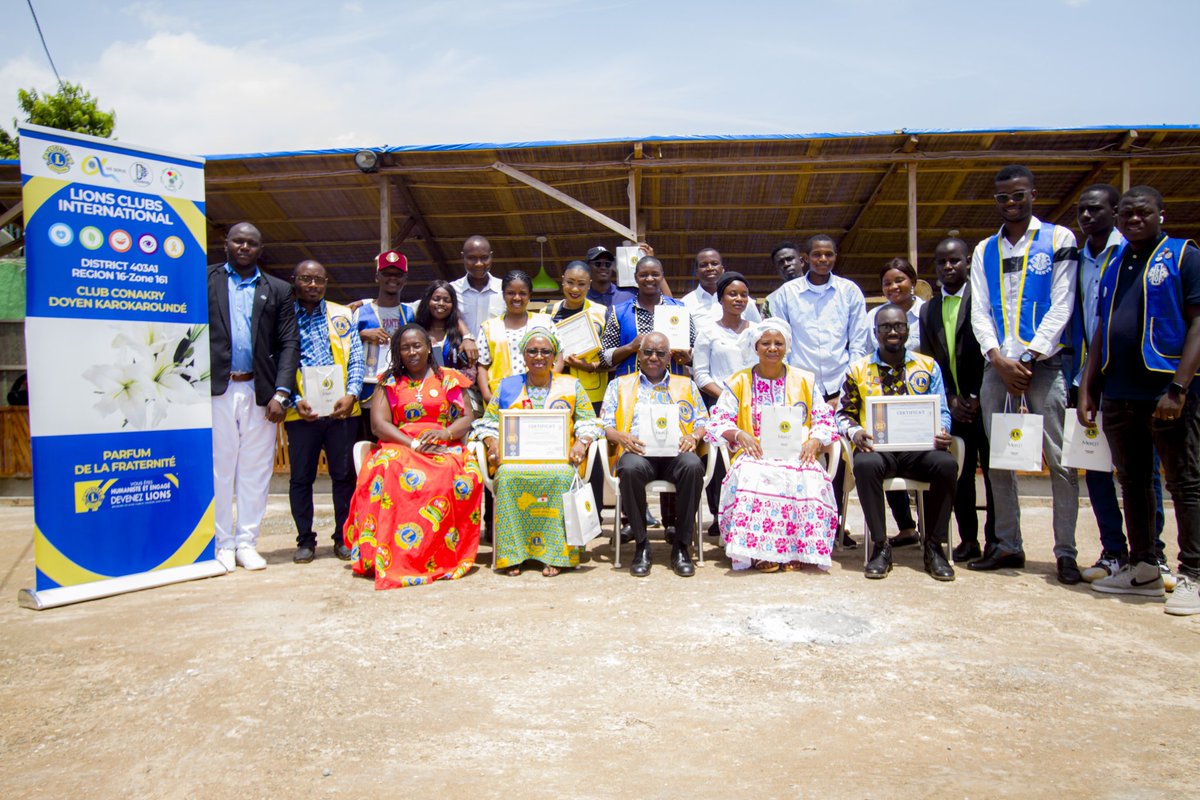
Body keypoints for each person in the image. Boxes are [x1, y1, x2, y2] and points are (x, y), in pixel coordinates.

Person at [1079, 186, 1200, 616]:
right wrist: (1089, 388)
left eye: (1142, 212)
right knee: (1131, 481)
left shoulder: (1183, 255)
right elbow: (1100, 329)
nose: (1133, 219)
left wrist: (1179, 388)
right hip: (1120, 391)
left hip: (1166, 392)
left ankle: (1192, 574)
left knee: (1183, 482)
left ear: (1160, 214)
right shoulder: (1114, 263)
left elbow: (1198, 322)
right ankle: (1144, 565)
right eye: (1127, 214)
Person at [968, 164, 1081, 584]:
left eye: (1018, 195)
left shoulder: (1057, 239)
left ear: (1033, 193)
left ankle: (1065, 552)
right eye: (1003, 197)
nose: (1011, 203)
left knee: (1059, 459)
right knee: (999, 457)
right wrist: (997, 358)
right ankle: (1007, 544)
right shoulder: (985, 249)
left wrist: (1030, 357)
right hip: (997, 365)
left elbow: (1062, 303)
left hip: (1044, 365)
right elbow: (980, 309)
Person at [1068, 185, 1170, 585]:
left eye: (1097, 209)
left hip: (1137, 377)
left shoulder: (1132, 253)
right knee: (1096, 466)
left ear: (1115, 211)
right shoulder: (1077, 259)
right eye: (1082, 211)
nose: (1088, 216)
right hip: (1089, 377)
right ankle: (1114, 551)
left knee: (1145, 471)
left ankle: (1152, 555)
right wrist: (1084, 383)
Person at [343, 324, 482, 589]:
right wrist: (414, 444)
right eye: (405, 347)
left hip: (442, 443)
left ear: (428, 347)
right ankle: (392, 555)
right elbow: (379, 425)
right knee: (389, 466)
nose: (411, 352)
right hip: (402, 444)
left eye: (417, 345)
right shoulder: (389, 381)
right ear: (397, 352)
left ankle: (436, 555)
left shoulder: (449, 378)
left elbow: (467, 416)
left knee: (455, 473)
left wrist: (445, 433)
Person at [705, 319, 839, 571]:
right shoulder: (738, 381)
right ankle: (759, 552)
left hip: (797, 454)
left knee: (808, 478)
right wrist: (738, 434)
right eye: (766, 343)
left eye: (779, 343)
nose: (772, 348)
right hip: (755, 454)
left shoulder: (805, 380)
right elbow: (718, 420)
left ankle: (796, 551)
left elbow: (824, 418)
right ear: (755, 347)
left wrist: (815, 439)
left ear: (787, 346)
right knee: (752, 476)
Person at [764, 233, 869, 547]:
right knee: (798, 454)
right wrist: (804, 389)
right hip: (800, 390)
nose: (823, 260)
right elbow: (783, 343)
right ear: (804, 258)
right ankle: (799, 525)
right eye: (817, 255)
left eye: (829, 255)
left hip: (842, 385)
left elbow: (858, 342)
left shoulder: (850, 292)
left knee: (837, 458)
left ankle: (834, 526)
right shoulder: (785, 294)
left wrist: (846, 386)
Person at [838, 304, 957, 581]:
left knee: (946, 465)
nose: (893, 331)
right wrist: (855, 433)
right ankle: (881, 547)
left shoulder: (927, 366)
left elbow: (941, 411)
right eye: (886, 327)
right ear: (876, 332)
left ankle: (934, 547)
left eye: (899, 326)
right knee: (865, 465)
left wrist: (943, 430)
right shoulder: (858, 369)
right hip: (879, 450)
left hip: (919, 450)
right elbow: (843, 414)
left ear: (907, 329)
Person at [208, 222, 299, 572]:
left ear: (261, 250)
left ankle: (246, 542)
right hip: (216, 388)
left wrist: (281, 391)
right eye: (239, 241)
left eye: (252, 243)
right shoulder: (207, 279)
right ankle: (222, 544)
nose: (245, 247)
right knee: (220, 468)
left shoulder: (277, 289)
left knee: (256, 469)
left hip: (259, 392)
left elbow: (289, 343)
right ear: (226, 244)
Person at [474, 329, 603, 577]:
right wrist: (492, 442)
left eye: (545, 351)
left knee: (562, 477)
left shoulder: (570, 384)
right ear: (524, 355)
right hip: (515, 459)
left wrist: (582, 442)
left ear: (554, 356)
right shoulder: (508, 385)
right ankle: (512, 555)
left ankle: (557, 555)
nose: (539, 356)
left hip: (560, 458)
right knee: (508, 477)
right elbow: (487, 422)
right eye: (532, 350)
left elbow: (589, 421)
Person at [602, 332, 709, 577]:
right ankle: (642, 545)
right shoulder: (619, 385)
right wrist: (621, 436)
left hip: (675, 455)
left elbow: (703, 420)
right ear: (638, 355)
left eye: (660, 353)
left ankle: (682, 545)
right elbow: (605, 424)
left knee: (693, 466)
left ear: (669, 357)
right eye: (648, 352)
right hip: (638, 453)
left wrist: (693, 436)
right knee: (628, 469)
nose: (653, 357)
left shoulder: (686, 385)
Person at [919, 238, 996, 562]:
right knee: (960, 475)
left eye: (954, 261)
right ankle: (968, 540)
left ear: (967, 262)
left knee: (995, 475)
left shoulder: (985, 300)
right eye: (941, 262)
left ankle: (998, 541)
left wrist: (977, 394)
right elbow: (929, 361)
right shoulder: (928, 309)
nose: (948, 267)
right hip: (953, 405)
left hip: (987, 399)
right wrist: (949, 398)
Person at [285, 260, 363, 564]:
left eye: (319, 280)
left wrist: (352, 393)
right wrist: (293, 398)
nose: (313, 285)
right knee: (300, 478)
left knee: (343, 477)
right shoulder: (284, 314)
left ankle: (343, 538)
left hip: (341, 411)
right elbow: (278, 360)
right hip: (301, 412)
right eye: (306, 279)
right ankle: (305, 540)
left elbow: (355, 358)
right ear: (295, 280)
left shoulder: (342, 314)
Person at [866, 258, 927, 548]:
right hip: (884, 402)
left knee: (929, 463)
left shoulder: (926, 313)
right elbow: (866, 356)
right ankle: (905, 526)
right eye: (887, 283)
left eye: (899, 280)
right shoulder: (874, 316)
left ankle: (931, 534)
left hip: (920, 403)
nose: (893, 287)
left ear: (912, 282)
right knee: (885, 457)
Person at [693, 271, 757, 536]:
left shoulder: (757, 331)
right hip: (717, 402)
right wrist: (727, 398)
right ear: (720, 299)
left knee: (752, 458)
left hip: (755, 406)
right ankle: (720, 515)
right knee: (718, 460)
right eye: (732, 294)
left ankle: (750, 511)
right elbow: (700, 374)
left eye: (743, 294)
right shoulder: (708, 332)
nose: (739, 299)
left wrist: (747, 401)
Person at [600, 256, 696, 377]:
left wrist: (689, 357)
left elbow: (697, 352)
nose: (649, 279)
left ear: (662, 276)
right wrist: (630, 347)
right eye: (643, 274)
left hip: (672, 388)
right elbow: (604, 358)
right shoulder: (619, 312)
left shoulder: (679, 309)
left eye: (655, 274)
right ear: (636, 277)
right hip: (631, 390)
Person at [475, 270, 556, 404]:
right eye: (511, 293)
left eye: (522, 293)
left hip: (540, 396)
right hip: (501, 398)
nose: (517, 298)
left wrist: (550, 385)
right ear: (503, 295)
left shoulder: (544, 322)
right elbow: (482, 366)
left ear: (530, 295)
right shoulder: (489, 327)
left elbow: (558, 358)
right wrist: (487, 396)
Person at [680, 247, 762, 324]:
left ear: (722, 270)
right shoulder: (686, 303)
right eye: (704, 265)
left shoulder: (743, 301)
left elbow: (758, 331)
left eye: (714, 264)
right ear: (697, 272)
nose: (710, 268)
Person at [451, 235, 505, 338]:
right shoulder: (452, 290)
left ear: (491, 257)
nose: (478, 264)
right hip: (462, 352)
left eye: (484, 258)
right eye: (472, 258)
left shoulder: (504, 289)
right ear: (463, 257)